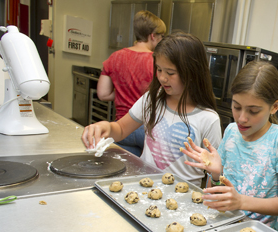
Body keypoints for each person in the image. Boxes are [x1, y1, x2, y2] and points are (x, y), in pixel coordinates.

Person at [82, 32, 222, 184]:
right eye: (159, 69)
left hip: (182, 197)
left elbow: (212, 173)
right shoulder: (152, 99)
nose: (162, 77)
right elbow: (121, 129)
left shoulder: (208, 119)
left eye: (170, 72)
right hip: (144, 186)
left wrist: (215, 179)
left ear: (192, 73)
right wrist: (106, 127)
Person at [181, 61, 278, 231]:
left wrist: (242, 201)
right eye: (236, 107)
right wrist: (215, 174)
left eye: (253, 111)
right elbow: (215, 193)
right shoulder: (231, 132)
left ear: (274, 107)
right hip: (223, 225)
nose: (241, 118)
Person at [96, 10, 166, 157]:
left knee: (127, 170)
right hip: (147, 131)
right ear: (152, 36)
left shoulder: (115, 57)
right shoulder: (158, 62)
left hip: (121, 129)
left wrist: (123, 90)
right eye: (161, 37)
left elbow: (103, 94)